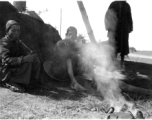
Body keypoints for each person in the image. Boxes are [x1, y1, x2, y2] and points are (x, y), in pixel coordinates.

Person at [0, 20, 41, 92]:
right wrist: (24, 59)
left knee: (34, 60)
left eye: (18, 31)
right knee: (27, 62)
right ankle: (11, 81)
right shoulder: (3, 42)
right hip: (6, 71)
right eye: (13, 30)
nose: (16, 33)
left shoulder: (17, 42)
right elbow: (6, 59)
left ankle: (31, 81)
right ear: (7, 31)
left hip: (14, 68)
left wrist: (30, 55)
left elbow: (23, 54)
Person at [43, 26, 86, 91]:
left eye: (75, 35)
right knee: (73, 58)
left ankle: (93, 81)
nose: (73, 36)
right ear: (68, 34)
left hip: (67, 70)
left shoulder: (72, 45)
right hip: (58, 70)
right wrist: (73, 80)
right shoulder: (61, 43)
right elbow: (68, 61)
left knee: (81, 58)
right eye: (71, 34)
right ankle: (73, 82)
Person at [105, 0, 133, 67]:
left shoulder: (127, 5)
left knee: (123, 45)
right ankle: (113, 62)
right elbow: (107, 15)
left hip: (124, 28)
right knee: (113, 45)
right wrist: (109, 26)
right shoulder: (113, 4)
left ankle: (122, 62)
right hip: (114, 28)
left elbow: (129, 17)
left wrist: (130, 27)